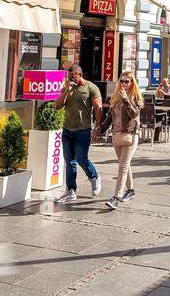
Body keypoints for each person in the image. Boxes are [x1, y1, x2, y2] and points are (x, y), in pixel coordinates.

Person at [54, 64, 102, 202]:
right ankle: (70, 190)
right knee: (69, 161)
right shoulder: (67, 88)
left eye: (73, 76)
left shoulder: (91, 88)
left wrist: (97, 127)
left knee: (81, 159)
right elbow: (57, 106)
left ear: (79, 75)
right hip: (67, 129)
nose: (70, 79)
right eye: (69, 77)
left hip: (83, 130)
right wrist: (66, 91)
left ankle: (94, 177)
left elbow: (98, 109)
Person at [105, 72, 142, 209]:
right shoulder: (115, 97)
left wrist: (126, 99)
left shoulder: (135, 97)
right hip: (117, 135)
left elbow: (134, 114)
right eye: (122, 81)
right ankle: (131, 190)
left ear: (132, 83)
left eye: (127, 81)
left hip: (130, 135)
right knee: (124, 164)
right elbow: (109, 117)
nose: (124, 84)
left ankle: (116, 196)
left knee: (122, 166)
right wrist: (100, 130)